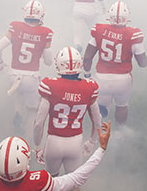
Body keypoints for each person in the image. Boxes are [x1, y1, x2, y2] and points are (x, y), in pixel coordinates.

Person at [33, 47, 101, 177]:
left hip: (54, 141)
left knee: (51, 184)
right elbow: (97, 119)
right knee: (73, 183)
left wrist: (37, 147)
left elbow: (39, 123)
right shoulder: (89, 87)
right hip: (75, 141)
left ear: (59, 65)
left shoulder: (50, 85)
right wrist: (92, 141)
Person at [0, 1, 53, 132]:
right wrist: (41, 51)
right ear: (41, 15)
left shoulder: (15, 26)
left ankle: (16, 116)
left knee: (18, 96)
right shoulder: (45, 32)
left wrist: (0, 63)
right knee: (32, 112)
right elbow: (48, 62)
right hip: (31, 78)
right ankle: (26, 140)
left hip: (13, 75)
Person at [83, 1, 147, 124]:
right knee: (122, 106)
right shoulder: (133, 34)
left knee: (100, 108)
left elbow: (87, 58)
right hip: (123, 79)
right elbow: (143, 63)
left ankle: (97, 134)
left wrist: (87, 75)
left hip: (102, 77)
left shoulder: (99, 30)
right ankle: (120, 134)